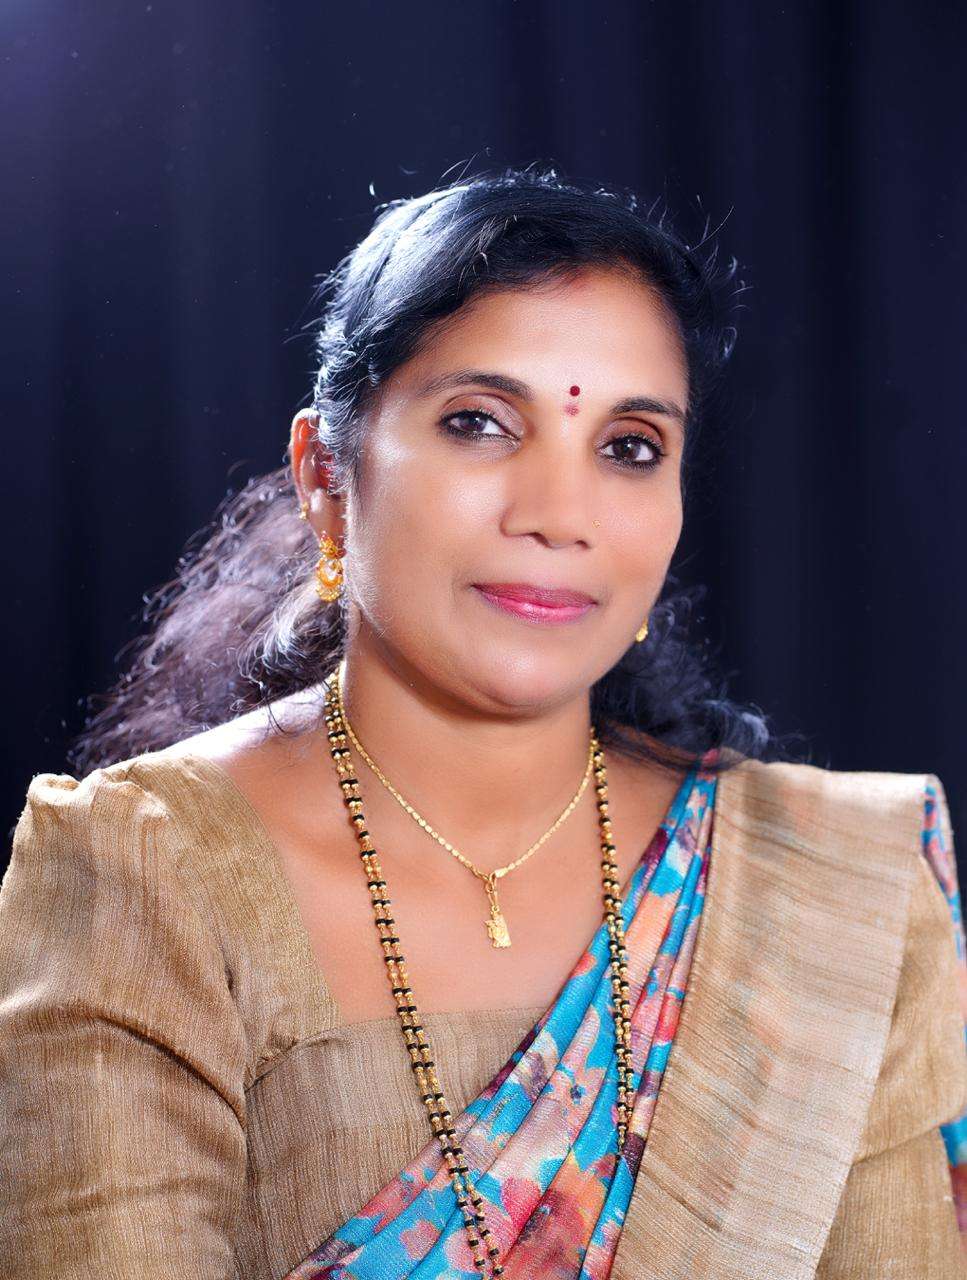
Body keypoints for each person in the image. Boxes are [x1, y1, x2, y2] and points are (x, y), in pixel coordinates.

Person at [1, 166, 964, 1279]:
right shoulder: (150, 870)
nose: (560, 515)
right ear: (325, 477)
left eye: (629, 446)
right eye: (479, 423)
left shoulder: (830, 884)